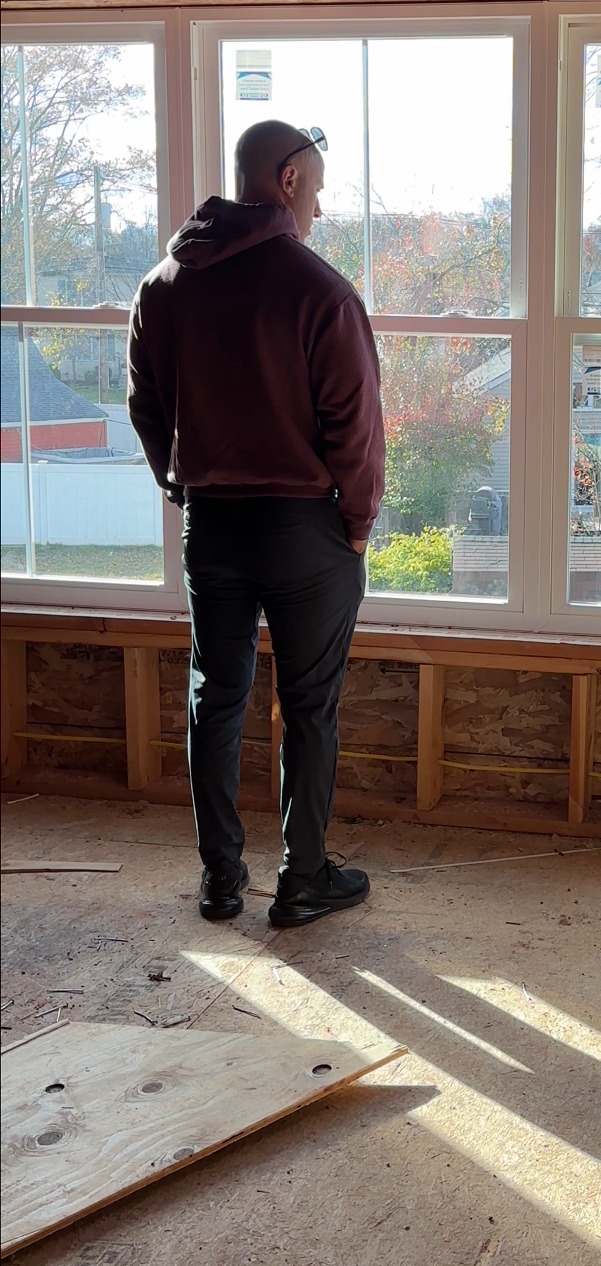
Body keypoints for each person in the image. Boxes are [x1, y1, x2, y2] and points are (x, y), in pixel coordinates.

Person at [128, 119, 385, 929]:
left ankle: (220, 879)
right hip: (304, 528)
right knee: (308, 705)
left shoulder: (167, 282)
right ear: (285, 180)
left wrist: (178, 483)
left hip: (214, 523)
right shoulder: (319, 290)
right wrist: (358, 523)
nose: (319, 198)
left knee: (218, 696)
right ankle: (303, 879)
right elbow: (355, 426)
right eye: (314, 181)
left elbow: (145, 402)